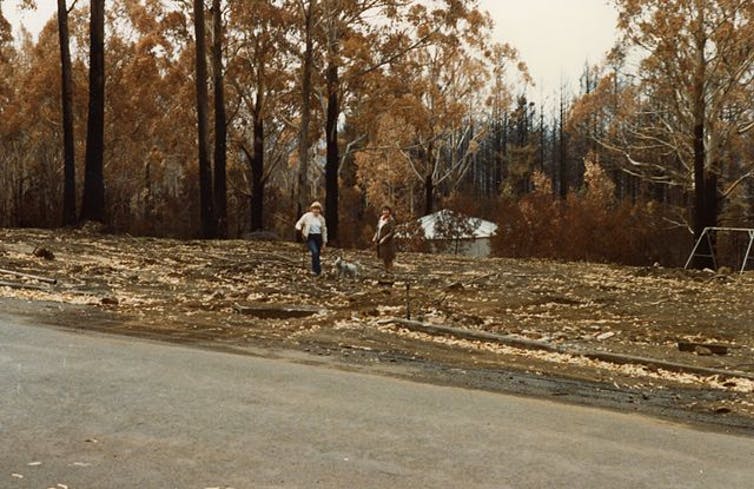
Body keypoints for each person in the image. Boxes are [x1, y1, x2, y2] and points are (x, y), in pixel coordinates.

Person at [295, 201, 327, 276]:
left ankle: (316, 271)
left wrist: (324, 241)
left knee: (317, 254)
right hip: (309, 237)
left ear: (320, 210)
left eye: (318, 209)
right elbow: (299, 223)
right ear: (312, 209)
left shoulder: (321, 219)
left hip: (318, 237)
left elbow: (324, 230)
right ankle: (316, 270)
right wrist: (299, 228)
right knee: (314, 252)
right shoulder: (307, 216)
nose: (316, 210)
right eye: (315, 209)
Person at [373, 205, 396, 272]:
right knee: (384, 257)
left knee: (389, 257)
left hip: (388, 242)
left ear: (389, 211)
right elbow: (378, 229)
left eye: (386, 210)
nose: (385, 212)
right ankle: (386, 270)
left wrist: (384, 238)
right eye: (384, 210)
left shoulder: (391, 220)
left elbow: (392, 232)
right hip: (380, 240)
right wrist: (375, 236)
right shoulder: (381, 219)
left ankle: (391, 271)